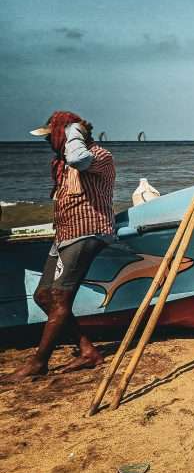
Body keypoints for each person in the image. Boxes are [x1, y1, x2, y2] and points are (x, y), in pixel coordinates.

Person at [5, 112, 116, 381]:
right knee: (43, 296)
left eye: (52, 136)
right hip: (65, 234)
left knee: (59, 297)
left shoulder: (97, 156)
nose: (49, 143)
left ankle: (39, 362)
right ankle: (88, 351)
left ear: (68, 135)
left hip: (88, 230)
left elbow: (79, 157)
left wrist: (73, 131)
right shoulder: (64, 163)